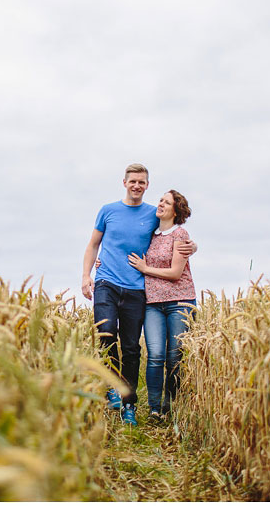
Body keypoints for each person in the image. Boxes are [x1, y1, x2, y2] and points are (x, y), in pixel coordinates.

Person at [82, 164, 196, 426]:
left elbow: (175, 231)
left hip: (136, 289)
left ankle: (129, 403)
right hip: (107, 282)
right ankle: (112, 387)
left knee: (132, 348)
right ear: (124, 183)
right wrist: (86, 275)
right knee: (106, 331)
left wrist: (194, 246)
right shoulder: (108, 211)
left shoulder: (154, 215)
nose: (136, 186)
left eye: (142, 182)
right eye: (132, 181)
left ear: (146, 185)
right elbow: (93, 244)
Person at [127, 189, 196, 422]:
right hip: (153, 304)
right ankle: (155, 409)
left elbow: (176, 273)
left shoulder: (180, 233)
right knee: (155, 355)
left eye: (166, 202)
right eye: (160, 200)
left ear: (176, 210)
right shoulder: (151, 236)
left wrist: (146, 270)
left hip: (179, 302)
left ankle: (171, 406)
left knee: (175, 357)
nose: (160, 204)